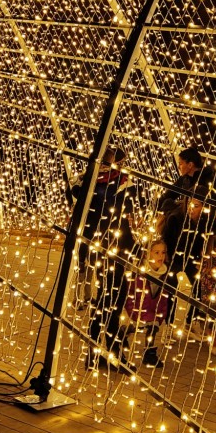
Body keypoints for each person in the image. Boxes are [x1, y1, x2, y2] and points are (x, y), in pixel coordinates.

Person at [69, 147, 136, 366]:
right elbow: (77, 194)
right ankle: (108, 352)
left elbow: (127, 212)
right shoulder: (91, 182)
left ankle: (101, 352)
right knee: (109, 300)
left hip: (118, 245)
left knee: (112, 300)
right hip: (102, 246)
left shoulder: (121, 182)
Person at [160, 185, 216, 331]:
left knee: (198, 289)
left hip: (193, 258)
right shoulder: (176, 217)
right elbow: (166, 241)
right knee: (171, 291)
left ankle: (192, 322)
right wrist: (166, 261)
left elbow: (207, 239)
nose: (191, 208)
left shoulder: (206, 220)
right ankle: (169, 325)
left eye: (196, 206)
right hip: (174, 258)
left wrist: (203, 258)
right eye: (189, 204)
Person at [123, 240, 170, 367]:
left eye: (163, 253)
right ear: (147, 254)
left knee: (152, 329)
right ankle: (123, 333)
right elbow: (130, 294)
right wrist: (133, 311)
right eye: (156, 253)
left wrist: (162, 313)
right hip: (139, 310)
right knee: (137, 327)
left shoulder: (164, 274)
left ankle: (149, 353)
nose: (161, 256)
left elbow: (164, 296)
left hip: (154, 310)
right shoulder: (138, 273)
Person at [156, 147, 204, 215]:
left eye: (181, 164)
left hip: (193, 214)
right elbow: (170, 193)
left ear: (190, 165)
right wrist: (155, 206)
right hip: (185, 212)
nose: (178, 167)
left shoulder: (204, 180)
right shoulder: (184, 179)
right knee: (168, 202)